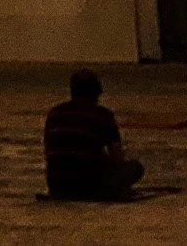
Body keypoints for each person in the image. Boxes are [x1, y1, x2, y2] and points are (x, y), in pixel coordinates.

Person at [42, 69, 144, 202]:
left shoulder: (55, 113)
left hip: (57, 185)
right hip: (89, 187)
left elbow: (48, 150)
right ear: (96, 93)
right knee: (135, 168)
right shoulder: (103, 115)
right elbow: (117, 156)